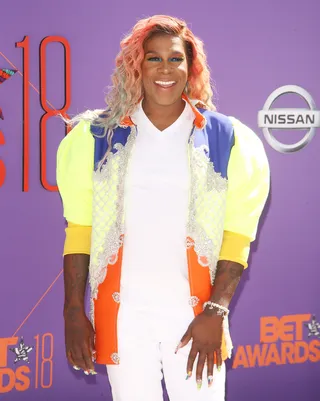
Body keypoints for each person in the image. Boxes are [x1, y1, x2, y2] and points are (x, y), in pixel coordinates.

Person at [56, 14, 270, 401]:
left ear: (191, 67)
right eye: (152, 58)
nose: (165, 69)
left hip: (195, 320)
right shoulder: (96, 138)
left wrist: (216, 312)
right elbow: (80, 229)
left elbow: (238, 235)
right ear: (135, 66)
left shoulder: (228, 139)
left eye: (175, 58)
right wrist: (74, 311)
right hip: (123, 320)